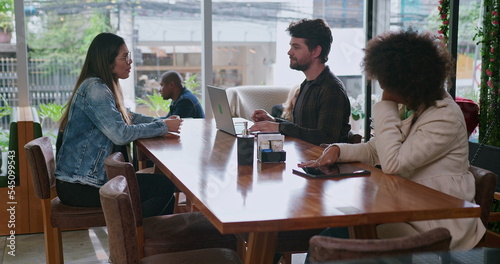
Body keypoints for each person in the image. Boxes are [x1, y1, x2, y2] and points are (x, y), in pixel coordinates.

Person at [300, 28, 486, 250]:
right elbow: (376, 149)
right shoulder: (412, 105)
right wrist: (338, 151)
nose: (382, 87)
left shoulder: (444, 116)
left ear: (408, 82)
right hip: (406, 209)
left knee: (337, 239)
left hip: (437, 222)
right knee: (334, 235)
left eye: (387, 83)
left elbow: (392, 163)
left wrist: (386, 105)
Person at [55, 33, 182, 217]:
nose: (130, 62)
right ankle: (135, 239)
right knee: (163, 187)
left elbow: (128, 117)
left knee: (163, 186)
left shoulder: (103, 86)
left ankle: (144, 238)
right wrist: (163, 127)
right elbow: (120, 134)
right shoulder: (95, 89)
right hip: (80, 186)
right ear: (107, 61)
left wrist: (162, 122)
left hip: (85, 179)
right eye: (124, 57)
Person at [249, 18, 351, 146]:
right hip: (305, 159)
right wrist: (274, 121)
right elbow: (303, 129)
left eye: (296, 47)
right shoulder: (307, 84)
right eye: (291, 46)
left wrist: (278, 128)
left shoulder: (331, 88)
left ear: (316, 51)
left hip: (321, 164)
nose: (289, 52)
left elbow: (326, 137)